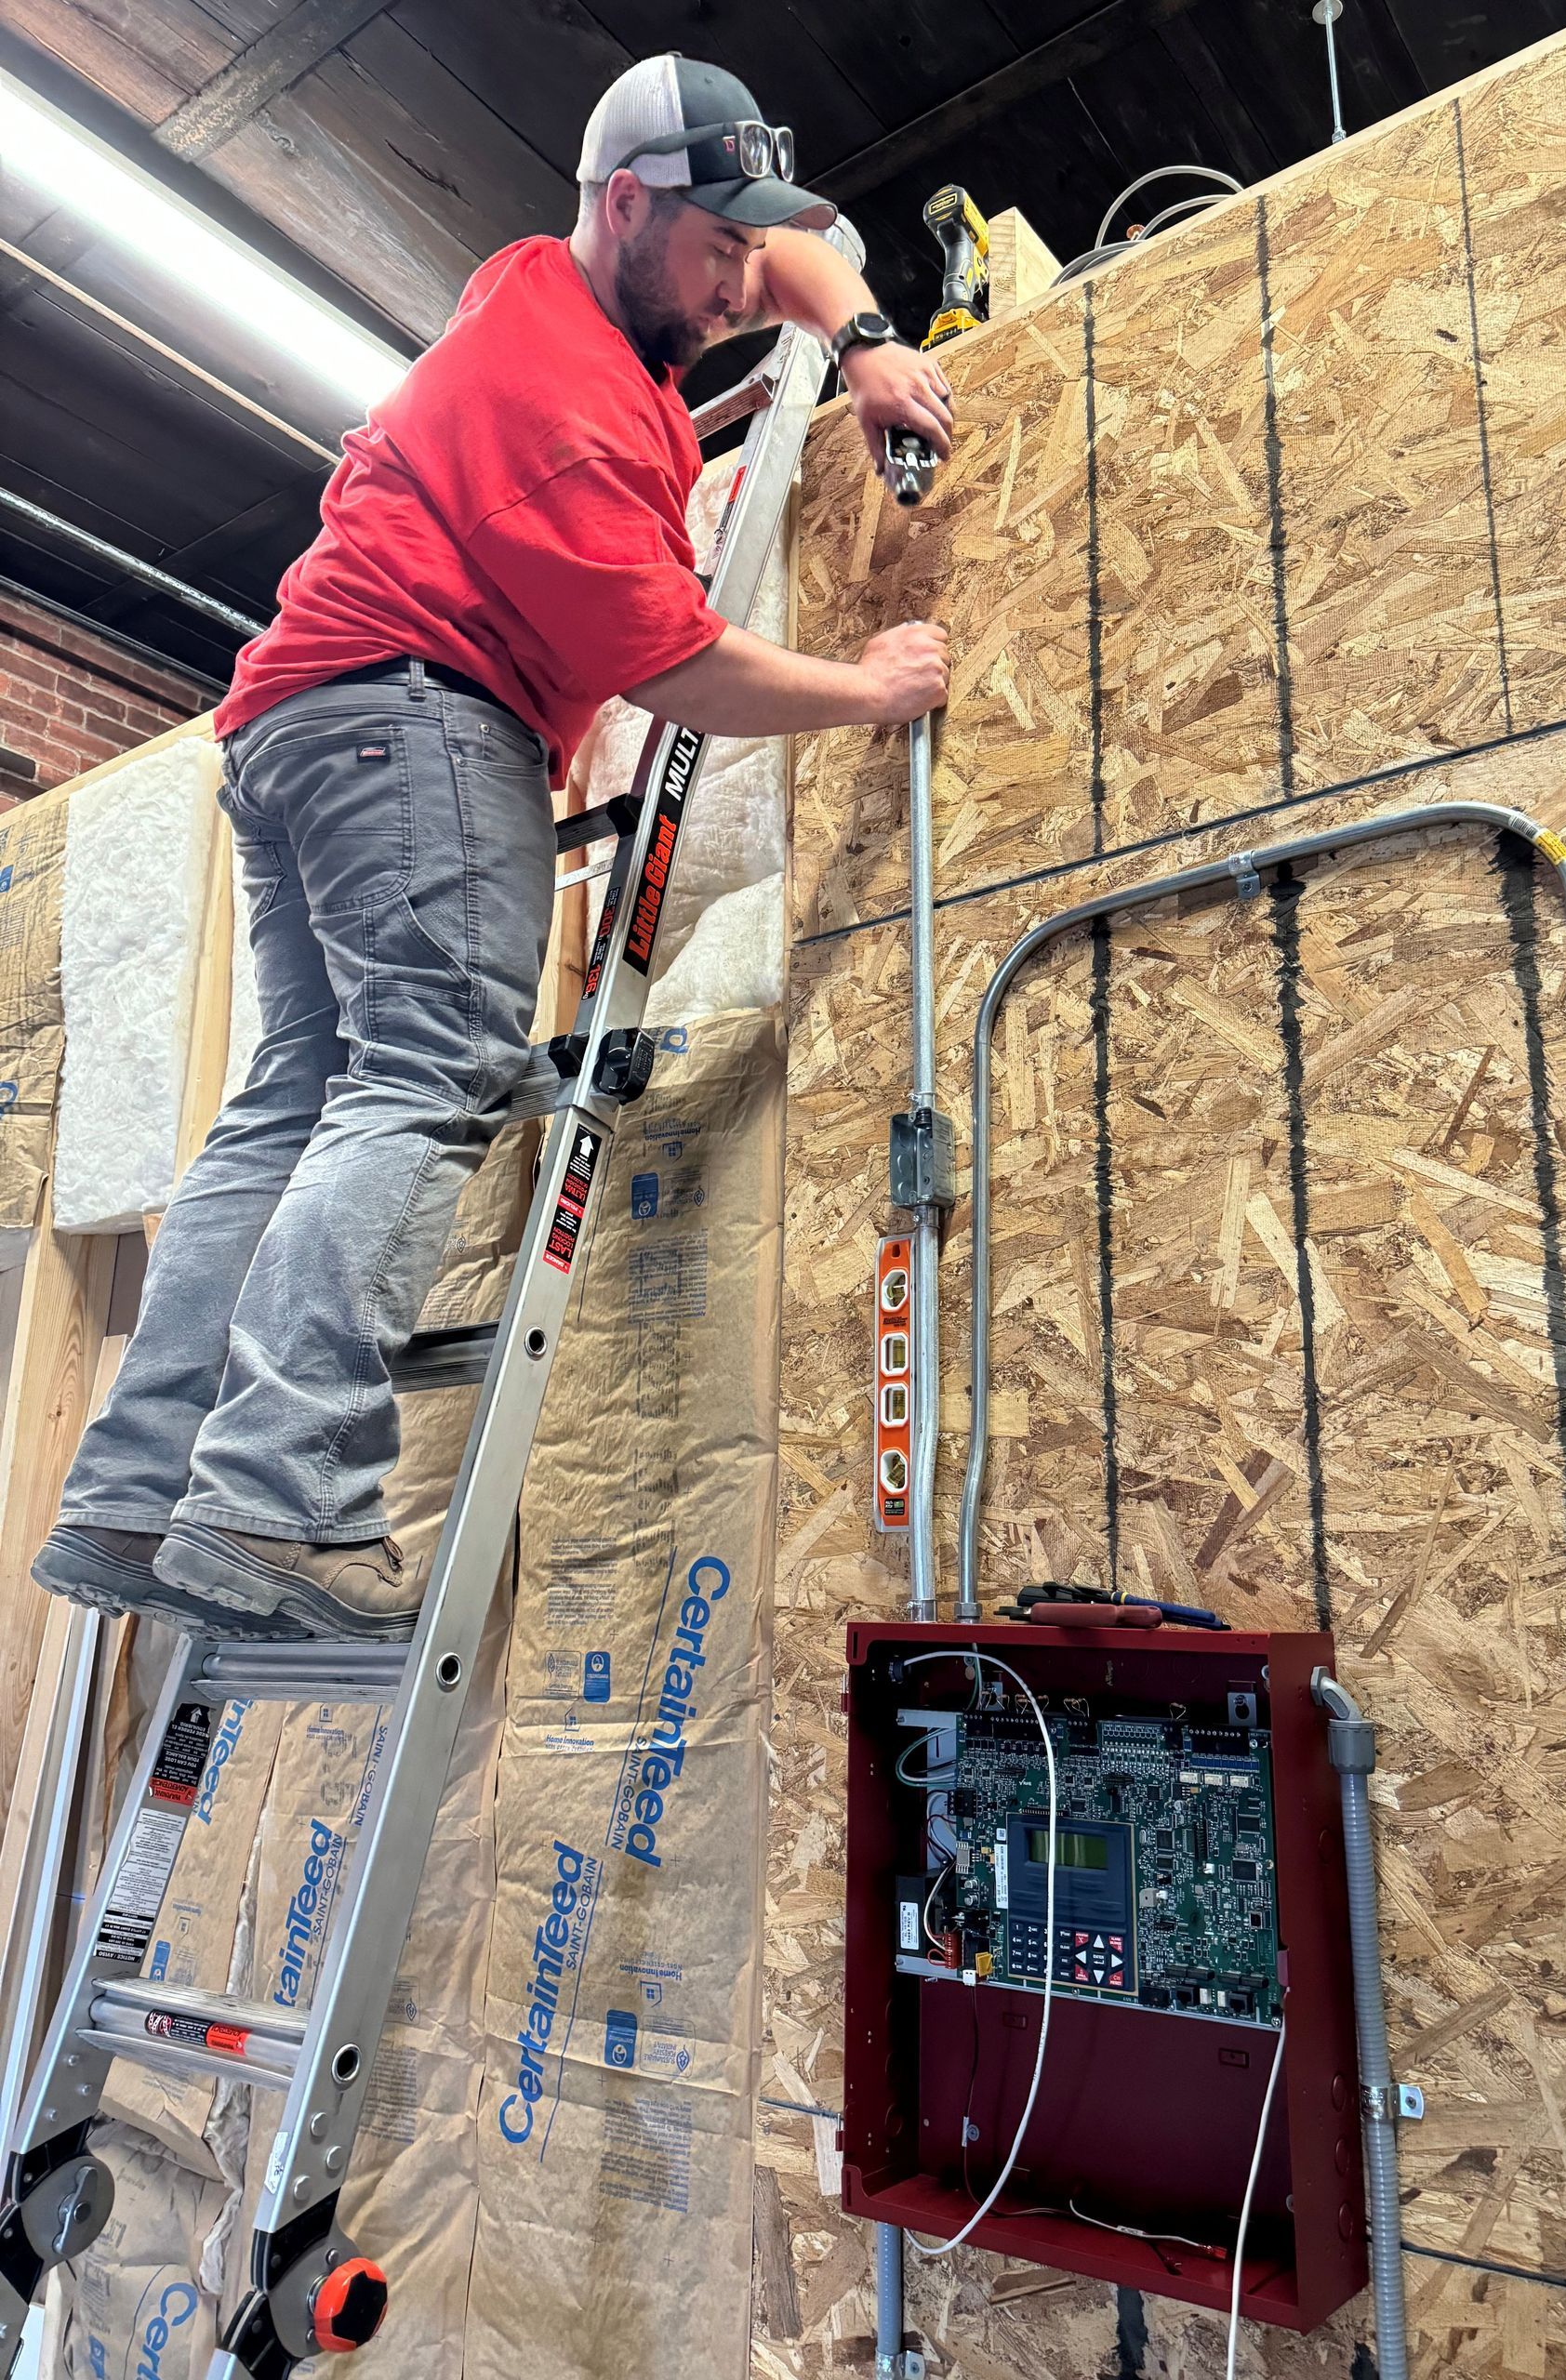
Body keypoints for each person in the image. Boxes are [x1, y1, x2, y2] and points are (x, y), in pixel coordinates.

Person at [33, 54, 952, 1644]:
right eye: (715, 246)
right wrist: (868, 686)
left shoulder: (538, 282)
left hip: (297, 723)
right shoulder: (576, 413)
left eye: (751, 249)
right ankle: (281, 1500)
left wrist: (859, 342)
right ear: (622, 206)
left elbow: (802, 243)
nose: (745, 281)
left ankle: (136, 1490)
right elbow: (678, 664)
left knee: (294, 1101)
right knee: (425, 1073)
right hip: (416, 719)